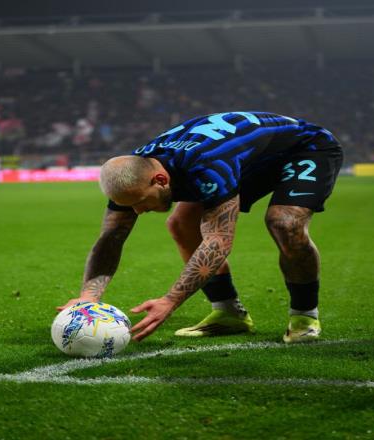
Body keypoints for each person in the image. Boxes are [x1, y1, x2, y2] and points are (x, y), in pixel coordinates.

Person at [57, 111, 343, 343]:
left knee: (284, 223)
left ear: (160, 180)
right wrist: (88, 296)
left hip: (304, 149)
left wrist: (170, 300)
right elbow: (112, 236)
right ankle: (228, 313)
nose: (138, 211)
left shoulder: (208, 165)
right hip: (247, 158)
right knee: (181, 225)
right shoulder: (132, 173)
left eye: (141, 202)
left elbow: (218, 240)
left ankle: (304, 315)